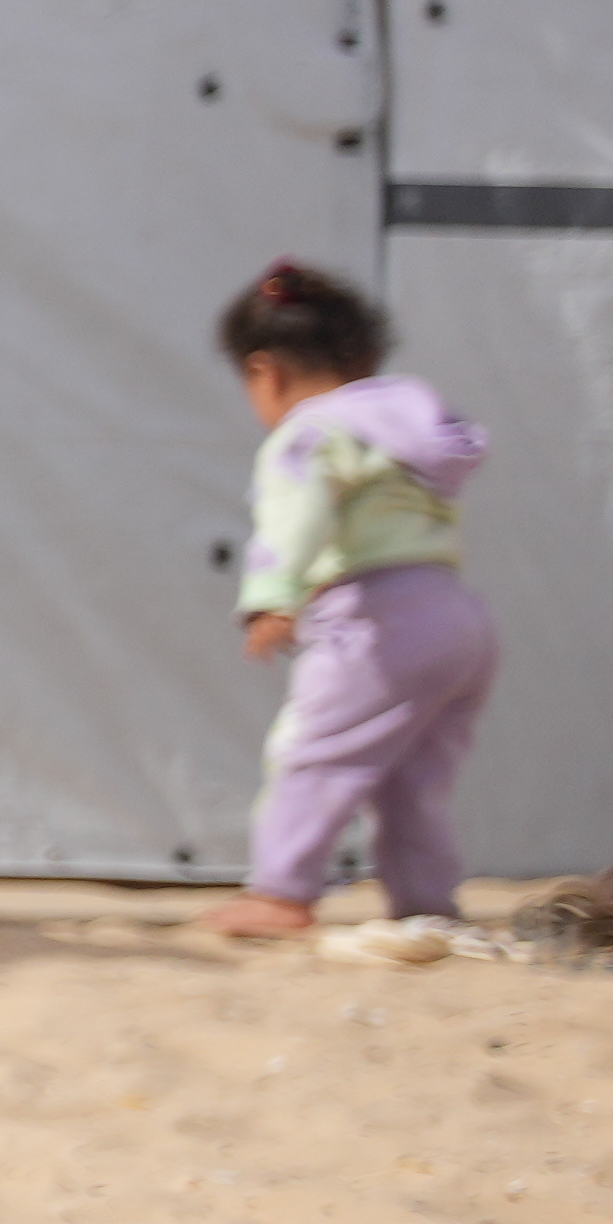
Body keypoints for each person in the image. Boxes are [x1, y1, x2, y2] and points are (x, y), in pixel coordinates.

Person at [210, 257, 491, 944]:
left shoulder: (309, 435)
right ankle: (425, 901)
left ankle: (282, 891)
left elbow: (295, 517)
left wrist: (273, 597)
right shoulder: (405, 426)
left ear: (264, 374)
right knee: (414, 776)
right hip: (458, 617)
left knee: (313, 753)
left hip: (376, 619)